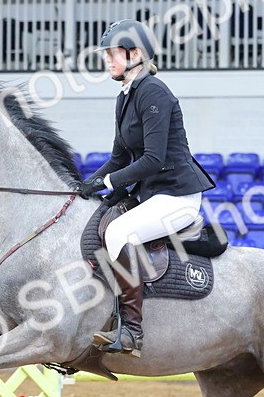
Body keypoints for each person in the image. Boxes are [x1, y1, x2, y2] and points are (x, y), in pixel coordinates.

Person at [76, 19, 215, 357]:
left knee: (119, 232)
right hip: (153, 194)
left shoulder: (154, 92)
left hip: (177, 196)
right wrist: (87, 183)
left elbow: (152, 159)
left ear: (135, 54)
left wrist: (110, 181)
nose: (107, 59)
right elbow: (118, 158)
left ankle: (132, 332)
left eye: (113, 53)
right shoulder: (125, 97)